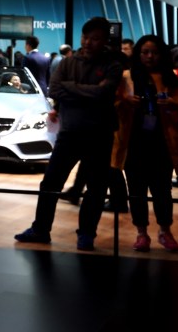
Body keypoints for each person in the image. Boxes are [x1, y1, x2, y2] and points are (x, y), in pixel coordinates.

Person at [15, 17, 124, 249]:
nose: (88, 42)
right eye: (85, 37)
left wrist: (71, 88)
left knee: (95, 187)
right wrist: (89, 92)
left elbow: (103, 94)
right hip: (69, 133)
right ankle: (41, 229)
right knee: (50, 183)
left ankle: (87, 234)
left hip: (100, 134)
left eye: (95, 39)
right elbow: (55, 90)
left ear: (104, 40)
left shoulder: (113, 65)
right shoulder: (68, 62)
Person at [112, 35, 178, 252]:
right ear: (138, 54)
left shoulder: (171, 77)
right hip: (133, 142)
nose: (150, 56)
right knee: (136, 190)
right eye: (145, 52)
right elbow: (113, 103)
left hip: (162, 142)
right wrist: (125, 101)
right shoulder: (126, 77)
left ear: (162, 54)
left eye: (154, 52)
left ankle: (165, 231)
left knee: (163, 190)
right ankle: (141, 233)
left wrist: (171, 103)